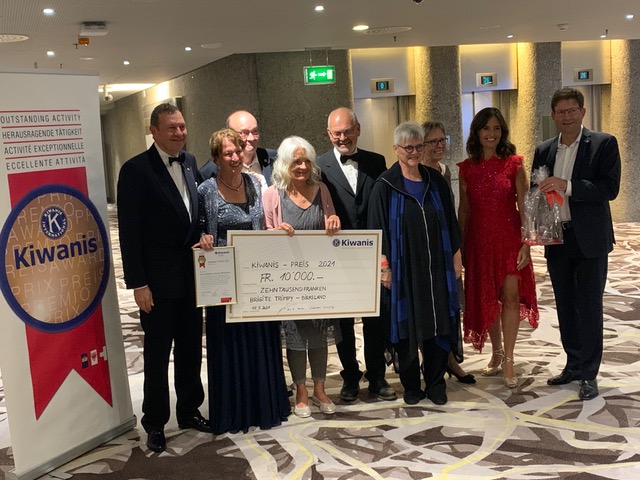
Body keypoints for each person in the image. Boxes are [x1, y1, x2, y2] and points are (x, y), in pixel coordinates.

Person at [117, 103, 211, 454]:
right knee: (157, 355)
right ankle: (155, 422)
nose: (179, 133)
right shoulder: (135, 170)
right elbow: (129, 233)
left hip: (191, 278)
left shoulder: (190, 162)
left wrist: (204, 235)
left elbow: (195, 214)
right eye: (172, 128)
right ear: (154, 131)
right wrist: (139, 284)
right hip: (156, 283)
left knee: (190, 349)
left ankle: (189, 410)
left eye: (182, 126)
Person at [197, 128, 290, 434]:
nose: (235, 157)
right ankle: (235, 411)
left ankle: (264, 406)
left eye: (238, 151)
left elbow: (263, 225)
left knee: (260, 341)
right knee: (230, 346)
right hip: (223, 280)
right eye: (228, 153)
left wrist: (276, 232)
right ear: (216, 158)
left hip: (254, 277)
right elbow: (200, 229)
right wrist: (204, 238)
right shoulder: (206, 190)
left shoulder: (256, 183)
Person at [533, 87, 621, 401]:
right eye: (561, 112)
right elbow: (536, 189)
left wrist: (567, 186)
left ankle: (588, 373)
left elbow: (609, 188)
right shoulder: (544, 149)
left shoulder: (603, 143)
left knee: (589, 306)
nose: (567, 117)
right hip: (557, 239)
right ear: (553, 115)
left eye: (572, 111)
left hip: (590, 240)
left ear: (582, 112)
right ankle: (572, 364)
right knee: (565, 305)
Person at [368, 121, 462, 405]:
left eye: (419, 146)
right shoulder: (385, 186)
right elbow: (377, 230)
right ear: (396, 149)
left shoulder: (436, 182)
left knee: (438, 322)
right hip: (403, 269)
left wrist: (456, 257)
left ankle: (435, 382)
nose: (414, 152)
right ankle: (411, 385)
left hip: (437, 268)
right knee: (407, 326)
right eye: (408, 148)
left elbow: (451, 222)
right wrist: (384, 267)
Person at [317, 107, 396, 402]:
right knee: (343, 322)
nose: (342, 138)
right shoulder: (319, 165)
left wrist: (385, 256)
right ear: (329, 134)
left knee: (375, 318)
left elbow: (384, 208)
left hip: (373, 253)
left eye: (347, 131)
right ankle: (350, 376)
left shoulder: (377, 162)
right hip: (338, 256)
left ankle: (377, 376)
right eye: (337, 133)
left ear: (358, 129)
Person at [458, 107, 539, 389]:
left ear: (502, 132)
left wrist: (527, 243)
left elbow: (525, 205)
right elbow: (464, 210)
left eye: (496, 128)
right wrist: (460, 245)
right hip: (478, 241)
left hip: (509, 239)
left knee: (511, 297)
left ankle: (509, 359)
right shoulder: (466, 168)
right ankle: (496, 351)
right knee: (488, 299)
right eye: (486, 128)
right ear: (477, 132)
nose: (491, 134)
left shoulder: (514, 164)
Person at [262, 136, 341, 417]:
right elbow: (263, 236)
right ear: (285, 164)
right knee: (295, 336)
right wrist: (275, 233)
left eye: (307, 161)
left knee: (319, 332)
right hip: (288, 280)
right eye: (297, 161)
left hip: (319, 278)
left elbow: (332, 226)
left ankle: (319, 389)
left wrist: (335, 222)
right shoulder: (272, 194)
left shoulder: (322, 190)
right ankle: (301, 391)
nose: (303, 167)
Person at [421, 121, 475, 385]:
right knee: (427, 307)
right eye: (433, 141)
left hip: (445, 245)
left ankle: (450, 359)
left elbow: (451, 213)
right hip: (424, 249)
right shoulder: (416, 172)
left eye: (443, 140)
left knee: (449, 307)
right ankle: (429, 361)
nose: (440, 146)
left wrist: (456, 249)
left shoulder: (444, 170)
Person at [199, 110, 276, 190]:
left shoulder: (274, 159)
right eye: (244, 133)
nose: (251, 138)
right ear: (229, 134)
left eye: (255, 131)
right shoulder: (210, 171)